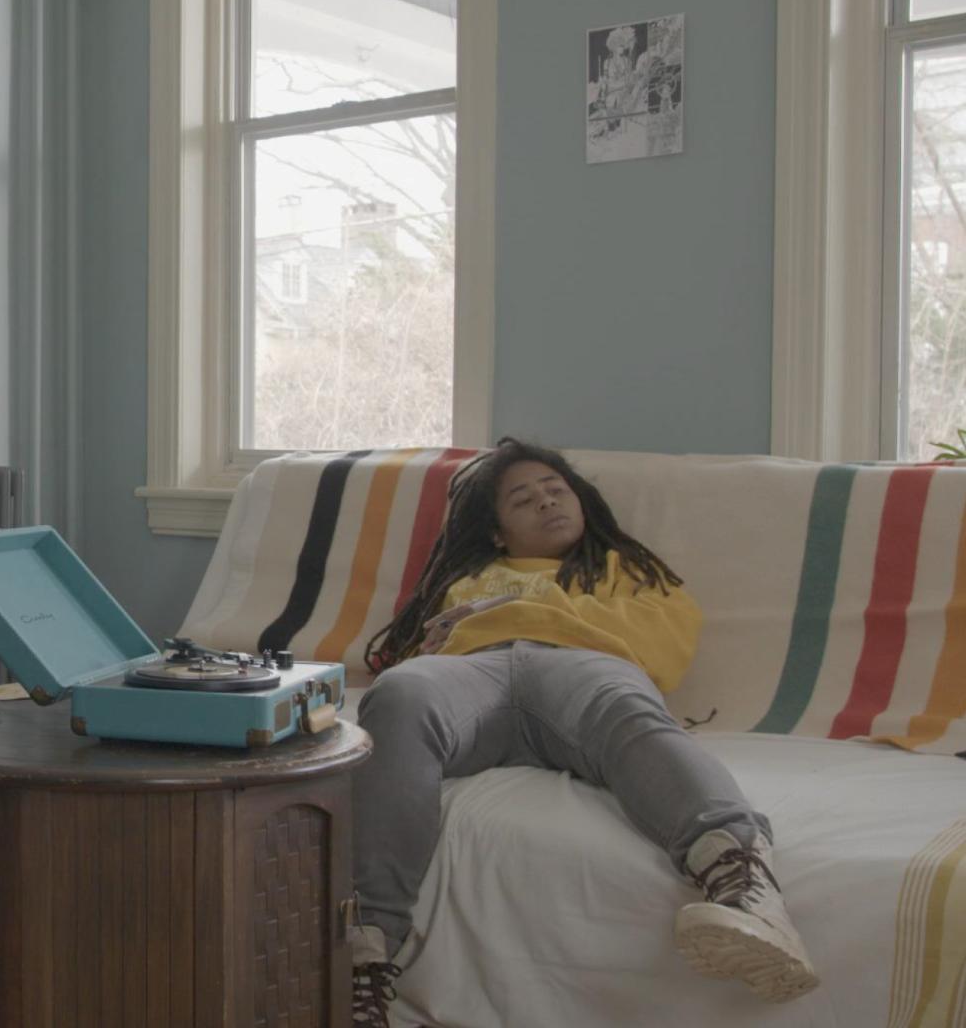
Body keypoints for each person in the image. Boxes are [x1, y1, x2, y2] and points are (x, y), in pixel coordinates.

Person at [346, 439, 818, 1027]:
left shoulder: (631, 571)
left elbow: (661, 655)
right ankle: (364, 959)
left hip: (579, 669)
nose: (546, 502)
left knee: (623, 703)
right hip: (477, 674)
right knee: (397, 695)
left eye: (555, 490)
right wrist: (491, 621)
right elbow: (429, 654)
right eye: (523, 500)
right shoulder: (467, 581)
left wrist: (517, 611)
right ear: (498, 532)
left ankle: (743, 883)